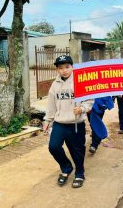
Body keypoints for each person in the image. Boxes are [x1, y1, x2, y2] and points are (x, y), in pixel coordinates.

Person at [43, 55, 94, 188]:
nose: (64, 70)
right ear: (57, 70)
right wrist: (48, 120)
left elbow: (89, 100)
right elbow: (51, 104)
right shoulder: (55, 84)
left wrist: (82, 108)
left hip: (76, 123)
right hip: (60, 123)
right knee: (53, 147)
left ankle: (79, 173)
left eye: (67, 67)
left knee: (77, 151)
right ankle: (66, 168)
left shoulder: (80, 80)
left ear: (72, 67)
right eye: (61, 68)